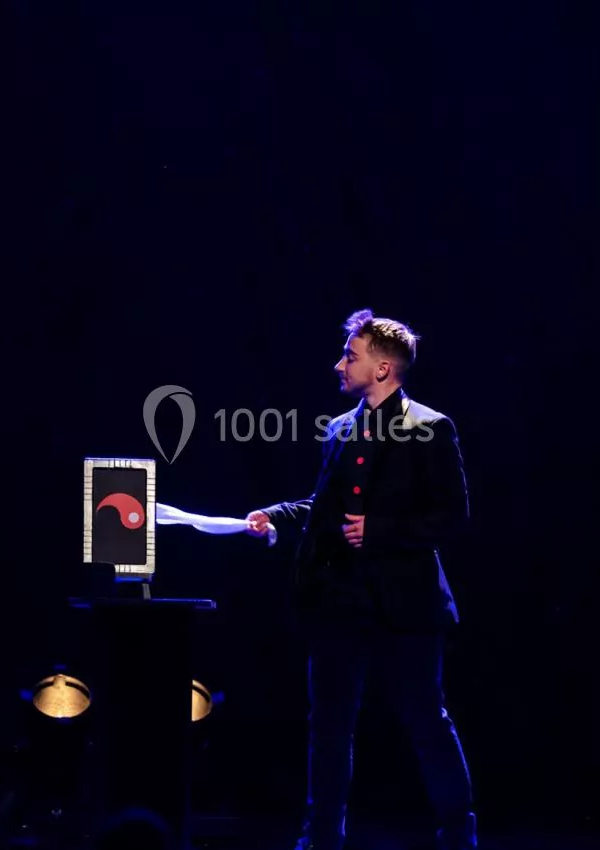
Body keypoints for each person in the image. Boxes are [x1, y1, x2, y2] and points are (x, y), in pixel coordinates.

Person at [246, 309, 477, 850]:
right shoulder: (339, 429)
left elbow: (452, 516)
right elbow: (322, 506)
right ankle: (322, 838)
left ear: (383, 368)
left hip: (406, 606)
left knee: (427, 722)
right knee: (328, 726)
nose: (339, 365)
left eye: (351, 356)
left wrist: (381, 529)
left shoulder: (430, 428)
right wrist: (273, 516)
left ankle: (458, 837)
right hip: (341, 603)